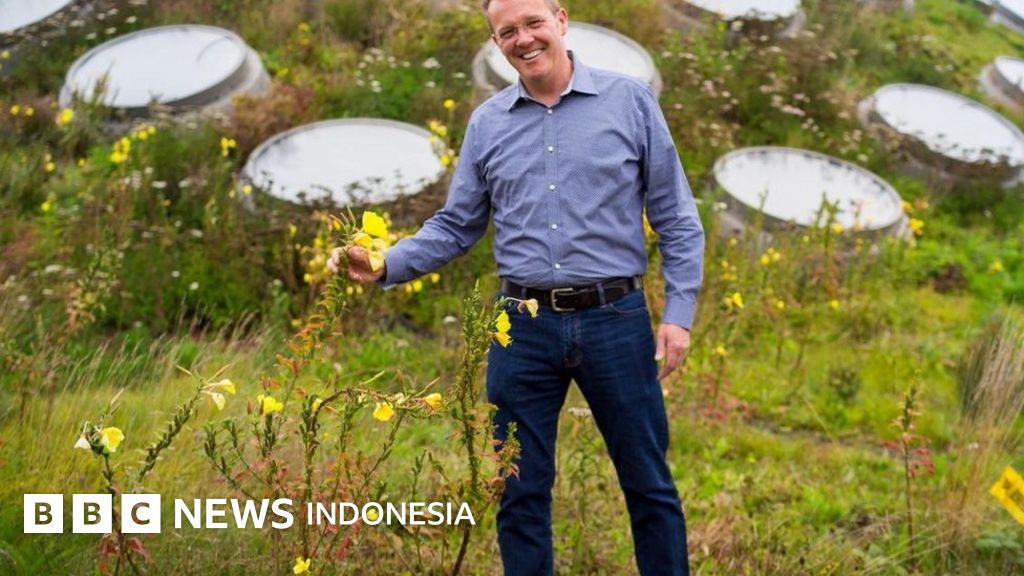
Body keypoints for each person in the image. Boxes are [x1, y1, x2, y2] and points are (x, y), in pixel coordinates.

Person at [336, 0, 703, 573]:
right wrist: (387, 264)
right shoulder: (488, 124)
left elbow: (676, 216)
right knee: (519, 489)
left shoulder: (630, 102)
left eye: (533, 23)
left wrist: (678, 315)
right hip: (521, 329)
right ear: (496, 42)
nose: (524, 39)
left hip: (615, 320)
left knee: (648, 483)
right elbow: (457, 225)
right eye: (507, 31)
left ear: (561, 20)